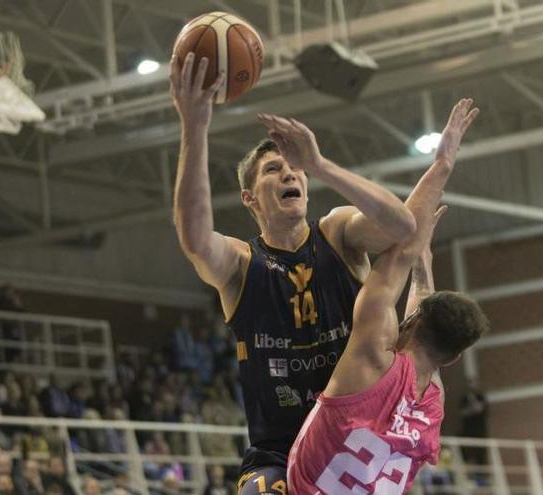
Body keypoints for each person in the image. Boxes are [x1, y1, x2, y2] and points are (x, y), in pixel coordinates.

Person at [170, 52, 417, 494]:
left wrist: (320, 164)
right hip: (278, 451)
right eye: (272, 170)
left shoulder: (338, 233)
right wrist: (195, 126)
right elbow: (193, 237)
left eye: (295, 169)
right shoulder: (242, 264)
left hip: (353, 440)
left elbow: (401, 225)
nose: (290, 174)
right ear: (250, 198)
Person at [287, 99, 489, 494]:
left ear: (411, 321)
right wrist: (423, 261)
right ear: (453, 357)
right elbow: (421, 301)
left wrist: (442, 164)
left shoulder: (372, 358)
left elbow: (398, 252)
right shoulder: (434, 403)